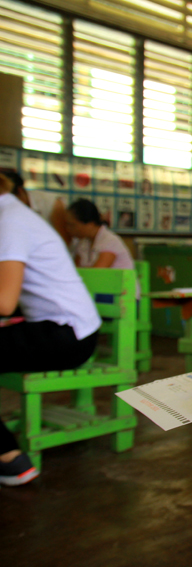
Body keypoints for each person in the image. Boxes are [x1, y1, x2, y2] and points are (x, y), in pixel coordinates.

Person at [0, 171, 101, 486]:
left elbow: (5, 302)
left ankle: (8, 457)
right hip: (59, 328)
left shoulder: (11, 222)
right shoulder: (13, 215)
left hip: (68, 335)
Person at [64, 198, 134, 269]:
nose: (68, 229)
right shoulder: (83, 242)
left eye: (72, 225)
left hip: (116, 280)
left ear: (90, 224)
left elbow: (97, 273)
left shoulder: (110, 241)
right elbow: (75, 271)